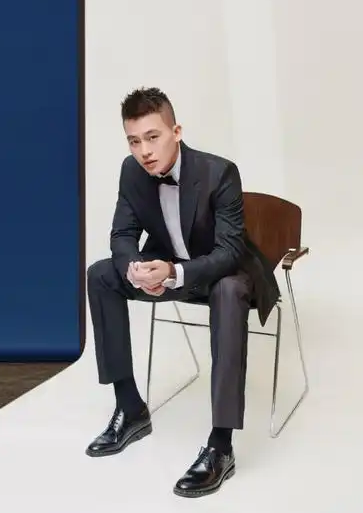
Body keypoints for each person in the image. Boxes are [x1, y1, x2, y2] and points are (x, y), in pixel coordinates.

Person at [86, 87, 280, 498]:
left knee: (229, 291)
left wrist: (176, 273)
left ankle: (221, 445)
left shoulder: (219, 172)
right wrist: (135, 269)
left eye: (152, 137)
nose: (144, 151)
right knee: (101, 275)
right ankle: (130, 408)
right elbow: (122, 234)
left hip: (220, 271)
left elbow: (229, 252)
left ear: (176, 132)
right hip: (166, 267)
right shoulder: (131, 171)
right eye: (134, 141)